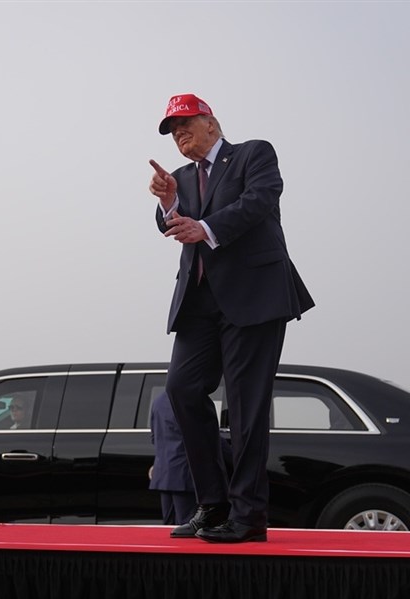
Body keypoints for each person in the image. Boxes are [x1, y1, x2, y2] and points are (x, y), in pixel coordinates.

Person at [148, 93, 314, 543]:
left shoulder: (253, 154)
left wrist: (205, 228)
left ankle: (248, 516)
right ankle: (213, 504)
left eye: (185, 123)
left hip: (254, 297)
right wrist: (168, 203)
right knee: (182, 390)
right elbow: (170, 225)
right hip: (198, 303)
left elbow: (260, 200)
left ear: (211, 122)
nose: (179, 133)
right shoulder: (181, 178)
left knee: (245, 407)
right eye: (172, 129)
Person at [148, 391, 196, 526]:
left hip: (163, 472)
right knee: (186, 524)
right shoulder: (189, 399)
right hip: (184, 473)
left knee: (168, 525)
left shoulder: (158, 401)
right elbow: (203, 435)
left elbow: (154, 438)